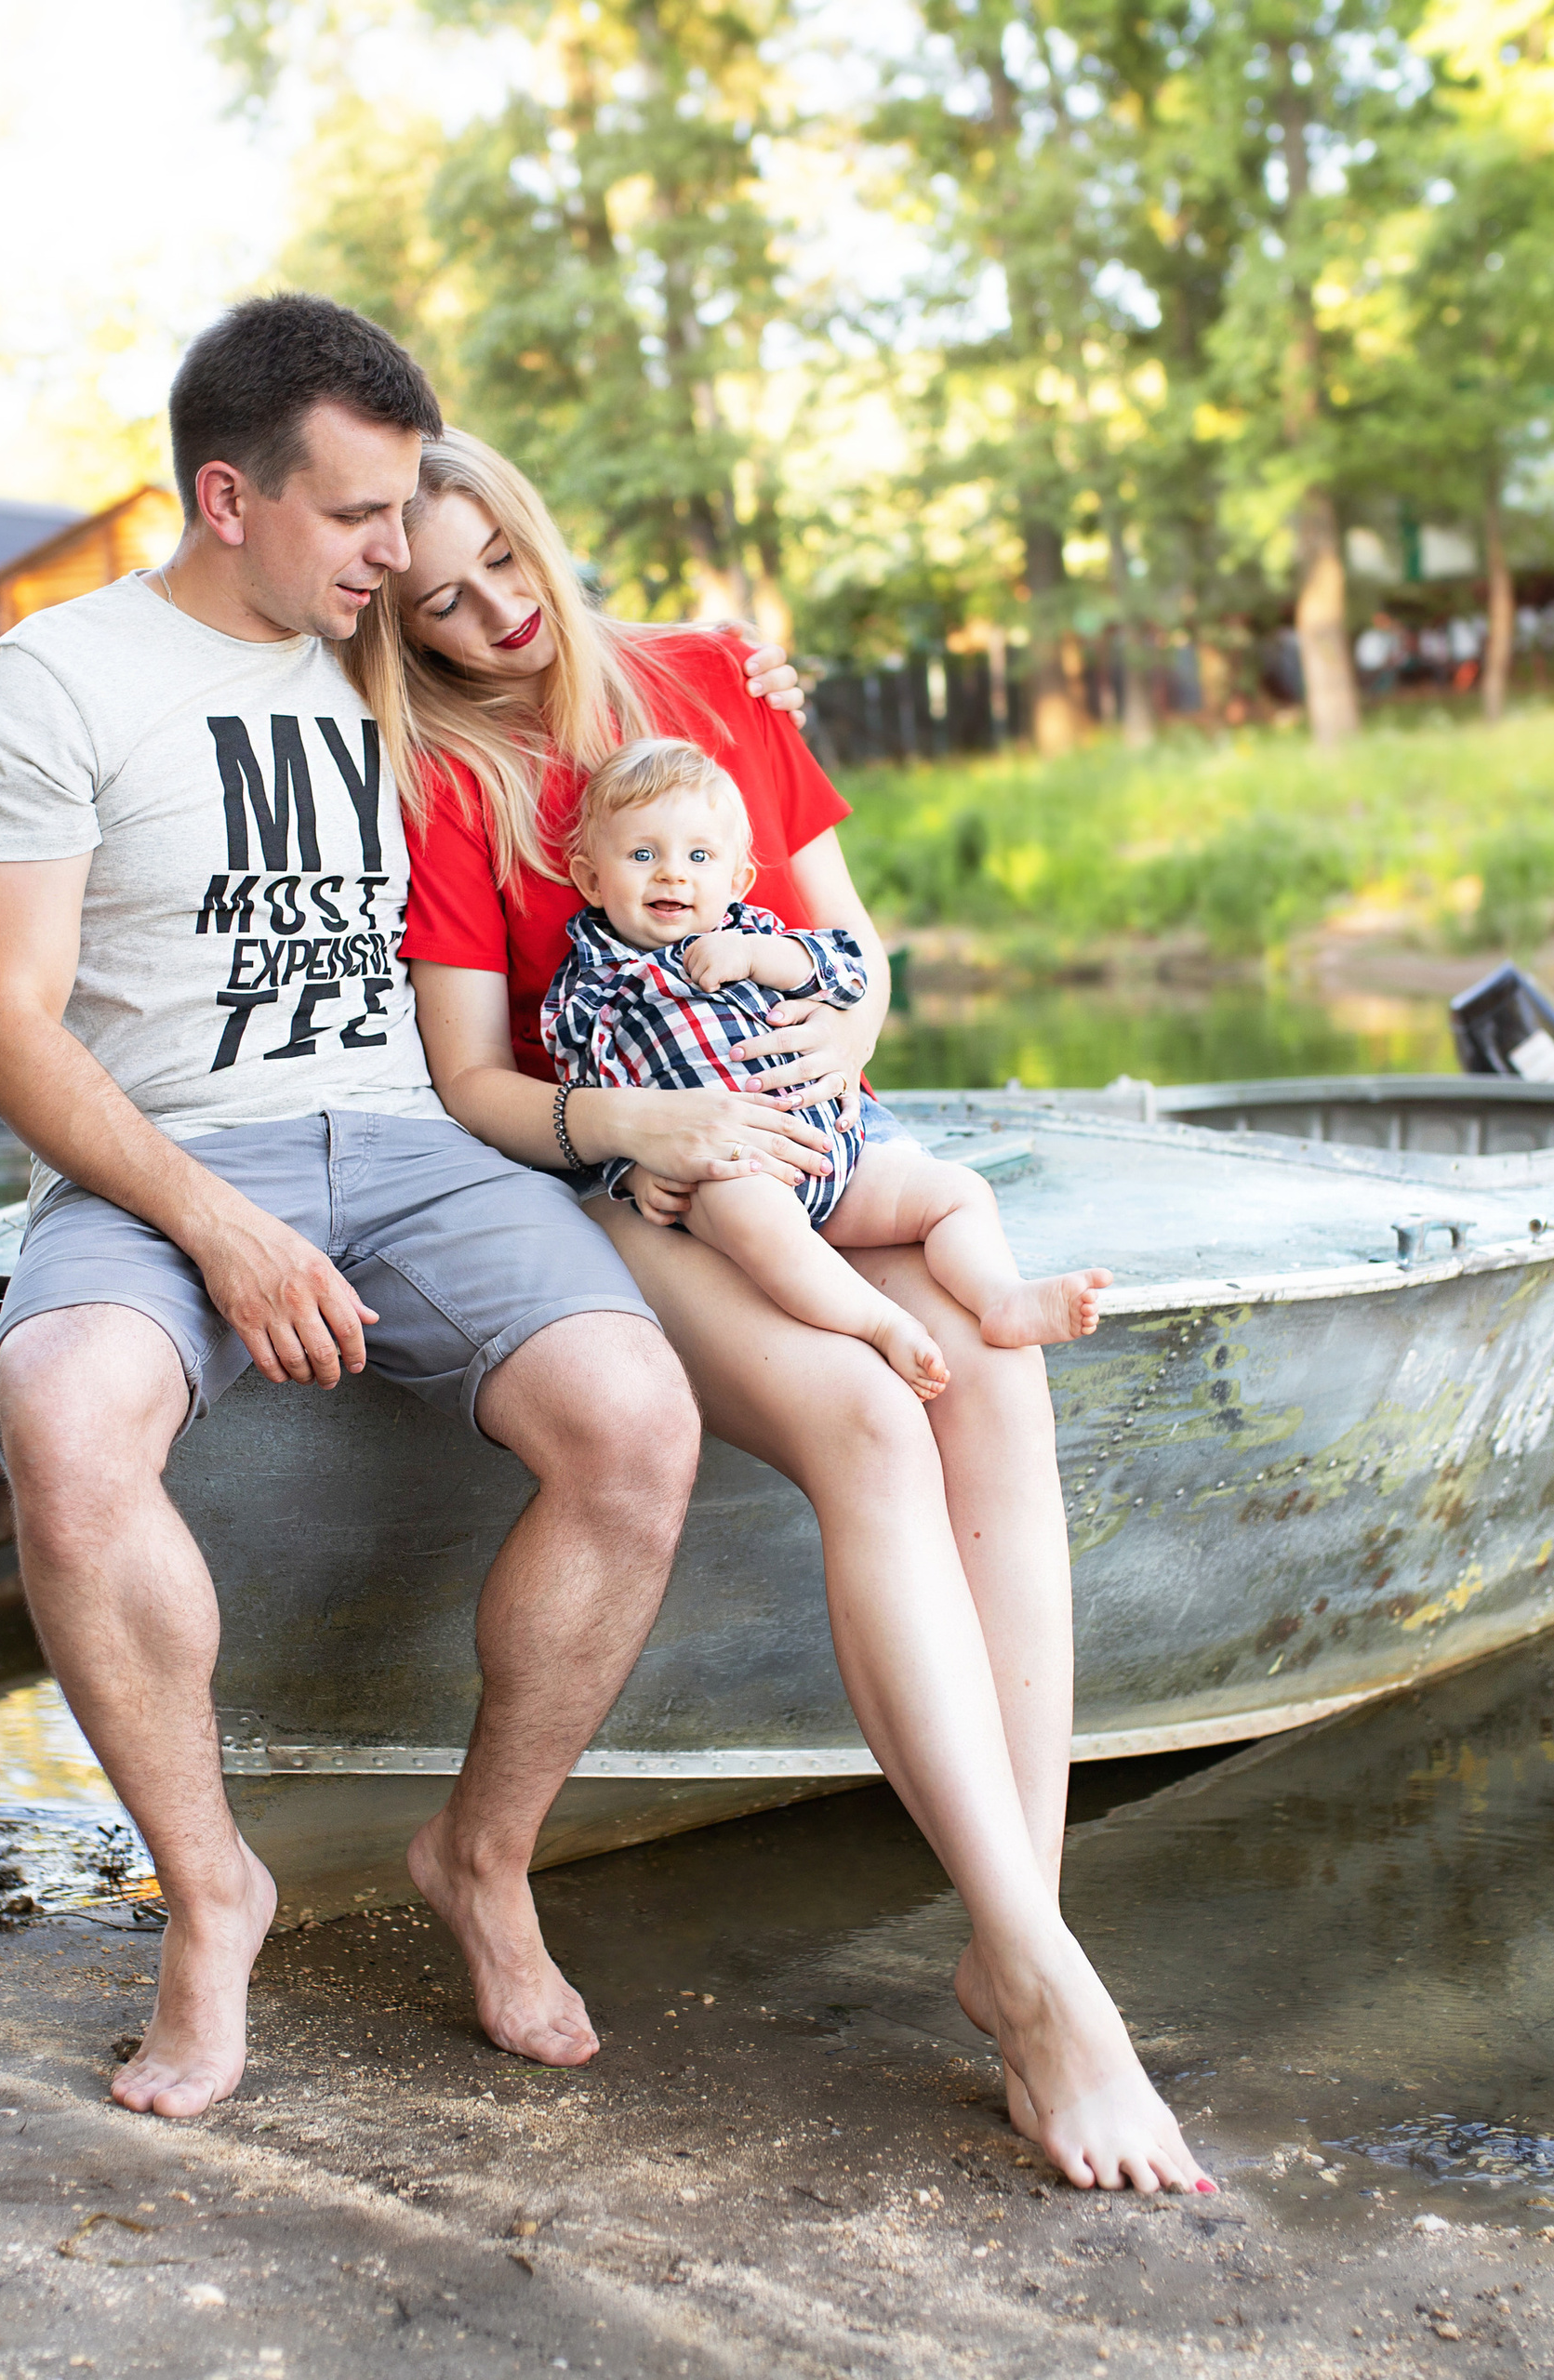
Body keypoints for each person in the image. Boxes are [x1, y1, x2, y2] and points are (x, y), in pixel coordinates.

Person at [0, 296, 806, 2115]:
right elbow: (9, 1035)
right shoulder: (50, 686)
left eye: (407, 509)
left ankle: (479, 1854)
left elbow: (590, 674)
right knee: (65, 1418)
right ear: (227, 495)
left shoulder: (384, 657)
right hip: (158, 1151)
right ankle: (213, 1891)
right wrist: (223, 1227)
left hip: (418, 1144)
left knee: (634, 1418)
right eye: (356, 518)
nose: (398, 557)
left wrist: (742, 673)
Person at [351, 427, 1213, 2195]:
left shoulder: (704, 680)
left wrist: (848, 1031)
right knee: (870, 1419)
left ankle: (1017, 1938)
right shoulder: (446, 778)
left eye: (505, 562)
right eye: (440, 602)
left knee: (995, 1382)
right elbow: (469, 1079)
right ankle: (1053, 1994)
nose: (494, 615)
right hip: (646, 1171)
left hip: (821, 1128)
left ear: (537, 524)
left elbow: (851, 941)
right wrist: (633, 1124)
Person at [543, 735, 1114, 1396]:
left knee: (957, 1191)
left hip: (832, 1148)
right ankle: (879, 1324)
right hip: (729, 1170)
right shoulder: (590, 987)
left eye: (699, 857)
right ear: (591, 878)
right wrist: (633, 1172)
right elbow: (592, 1091)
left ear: (737, 880)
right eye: (643, 855)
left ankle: (1000, 1296)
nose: (673, 874)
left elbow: (848, 969)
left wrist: (761, 958)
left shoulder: (755, 932)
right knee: (762, 1227)